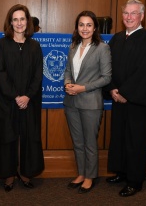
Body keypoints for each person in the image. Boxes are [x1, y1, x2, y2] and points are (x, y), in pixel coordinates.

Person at [104, 0, 146, 197]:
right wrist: (112, 89)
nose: (129, 17)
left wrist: (125, 93)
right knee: (120, 137)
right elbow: (107, 68)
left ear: (142, 16)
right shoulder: (117, 38)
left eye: (134, 13)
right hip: (118, 99)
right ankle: (122, 172)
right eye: (126, 13)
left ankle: (135, 181)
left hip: (138, 102)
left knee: (135, 141)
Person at [0, 4, 44, 192]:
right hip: (6, 100)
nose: (19, 23)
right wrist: (15, 96)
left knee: (28, 136)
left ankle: (26, 172)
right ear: (10, 22)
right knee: (7, 137)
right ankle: (8, 174)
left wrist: (27, 96)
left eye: (22, 19)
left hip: (29, 101)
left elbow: (38, 75)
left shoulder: (35, 46)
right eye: (15, 19)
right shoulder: (1, 44)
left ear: (28, 22)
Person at [63, 11, 112, 194]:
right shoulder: (73, 47)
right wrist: (67, 83)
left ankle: (90, 176)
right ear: (77, 27)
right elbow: (68, 70)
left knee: (89, 142)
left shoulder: (102, 48)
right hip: (71, 102)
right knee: (77, 142)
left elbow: (106, 78)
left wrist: (82, 88)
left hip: (90, 102)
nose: (85, 28)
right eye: (81, 25)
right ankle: (81, 173)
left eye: (89, 25)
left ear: (95, 28)